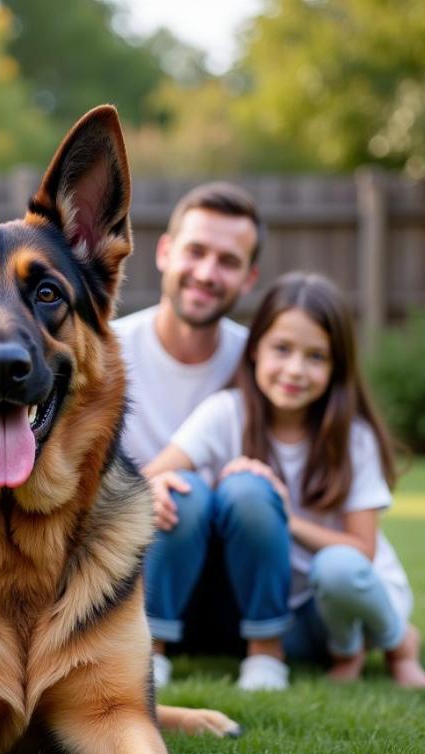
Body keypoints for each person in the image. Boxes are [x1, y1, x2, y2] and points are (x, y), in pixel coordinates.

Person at [144, 272, 425, 690]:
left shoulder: (352, 437)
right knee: (197, 488)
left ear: (337, 367)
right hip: (276, 607)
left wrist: (285, 514)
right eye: (282, 349)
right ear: (256, 347)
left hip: (340, 599)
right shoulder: (226, 412)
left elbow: (362, 550)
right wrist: (156, 484)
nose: (295, 370)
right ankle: (163, 649)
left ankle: (398, 643)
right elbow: (152, 472)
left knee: (335, 569)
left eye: (316, 356)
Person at [111, 182, 265, 689]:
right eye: (195, 251)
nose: (205, 273)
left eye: (228, 261)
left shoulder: (263, 366)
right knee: (184, 492)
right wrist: (139, 491)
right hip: (127, 572)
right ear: (164, 252)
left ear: (249, 278)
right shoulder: (107, 351)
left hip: (228, 584)